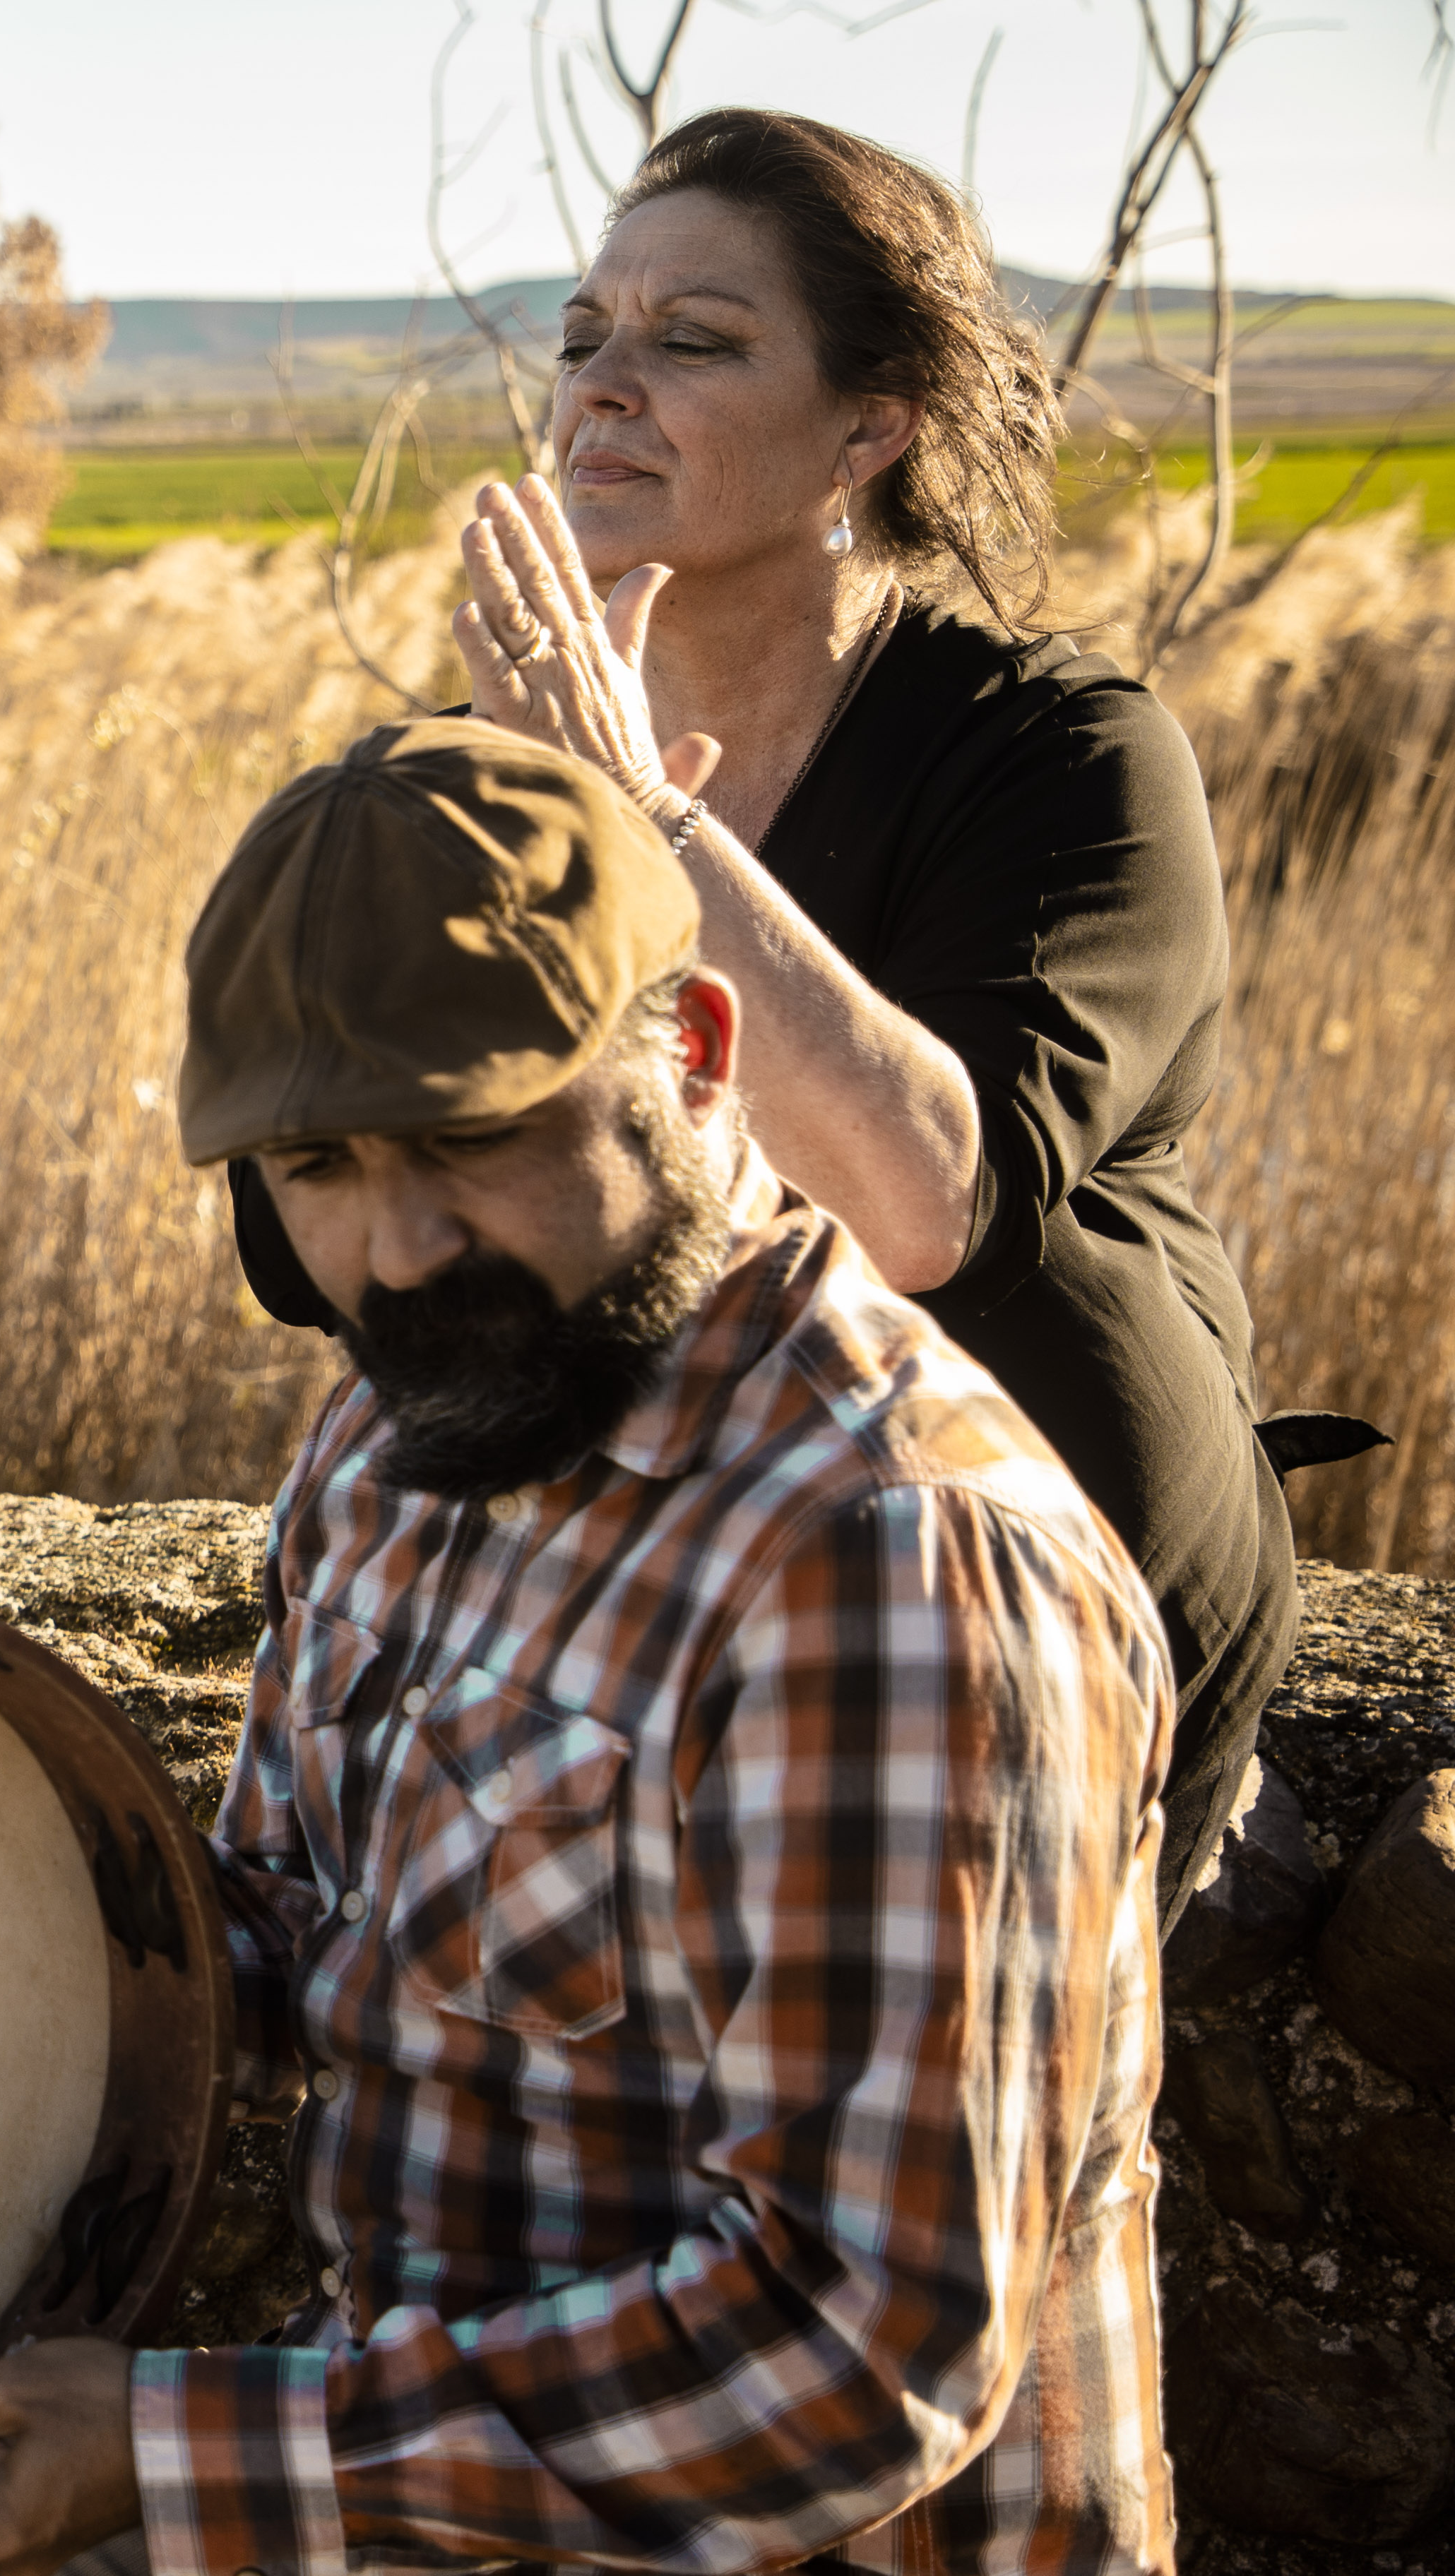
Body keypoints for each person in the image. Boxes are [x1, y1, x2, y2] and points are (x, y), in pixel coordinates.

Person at [0, 720, 1176, 2576]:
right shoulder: (403, 1439)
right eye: (319, 1167)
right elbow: (285, 1944)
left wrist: (175, 2453)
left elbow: (857, 2357)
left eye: (471, 1137)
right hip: (378, 2486)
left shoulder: (888, 1558)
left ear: (696, 1058)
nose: (400, 1247)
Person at [323, 105, 1288, 1924]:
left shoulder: (1064, 756)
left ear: (869, 428)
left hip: (1017, 1603)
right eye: (583, 337)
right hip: (642, 1587)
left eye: (693, 341)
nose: (602, 388)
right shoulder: (492, 771)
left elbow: (919, 1201)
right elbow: (318, 1227)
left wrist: (639, 818)